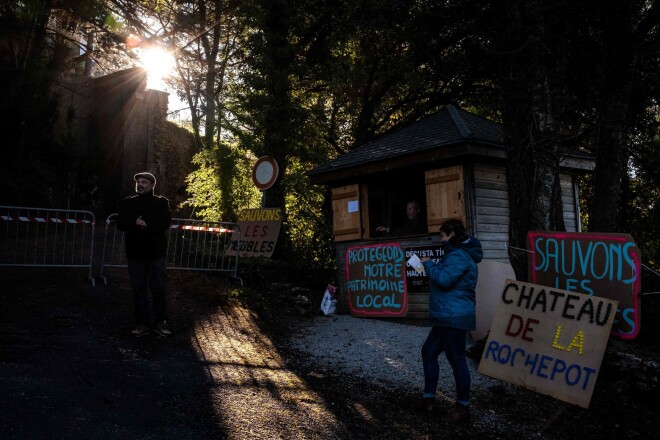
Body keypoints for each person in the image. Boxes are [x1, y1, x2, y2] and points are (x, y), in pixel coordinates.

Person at [417, 218, 482, 423]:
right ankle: (428, 399)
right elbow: (447, 275)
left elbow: (444, 280)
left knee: (458, 362)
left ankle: (462, 408)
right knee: (428, 352)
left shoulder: (459, 255)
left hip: (454, 317)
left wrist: (428, 265)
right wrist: (434, 266)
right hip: (447, 316)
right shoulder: (456, 255)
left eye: (443, 236)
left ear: (452, 234)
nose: (441, 240)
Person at [117, 172, 172, 338]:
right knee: (138, 289)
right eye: (139, 182)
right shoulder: (128, 202)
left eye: (144, 182)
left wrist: (146, 224)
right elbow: (120, 223)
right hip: (135, 253)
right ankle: (142, 323)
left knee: (158, 288)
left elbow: (165, 222)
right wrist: (135, 222)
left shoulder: (161, 202)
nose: (140, 184)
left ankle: (160, 322)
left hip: (156, 253)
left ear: (152, 185)